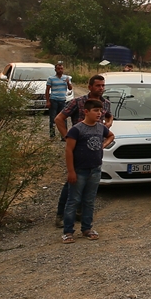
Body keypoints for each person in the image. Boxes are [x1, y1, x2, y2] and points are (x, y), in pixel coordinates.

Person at [54, 75, 114, 227]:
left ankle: (80, 214)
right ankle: (61, 215)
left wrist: (109, 122)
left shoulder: (106, 103)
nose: (101, 88)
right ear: (90, 87)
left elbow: (108, 116)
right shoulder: (78, 102)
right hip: (78, 148)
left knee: (89, 186)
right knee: (71, 183)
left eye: (103, 85)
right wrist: (67, 136)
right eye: (97, 86)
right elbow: (59, 119)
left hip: (94, 149)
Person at [62, 100, 114, 243]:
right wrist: (71, 171)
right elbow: (69, 150)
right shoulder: (77, 130)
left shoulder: (100, 128)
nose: (99, 113)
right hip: (80, 170)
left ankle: (87, 228)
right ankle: (68, 231)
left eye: (100, 111)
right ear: (86, 112)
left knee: (89, 201)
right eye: (95, 110)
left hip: (95, 170)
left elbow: (111, 135)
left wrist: (103, 145)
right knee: (73, 200)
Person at [45, 61, 72, 139]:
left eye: (61, 68)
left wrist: (68, 83)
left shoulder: (66, 78)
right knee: (53, 118)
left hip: (62, 100)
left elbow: (70, 88)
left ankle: (64, 135)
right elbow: (47, 90)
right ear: (55, 70)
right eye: (58, 68)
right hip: (54, 100)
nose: (60, 70)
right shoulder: (51, 78)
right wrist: (48, 101)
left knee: (63, 118)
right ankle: (52, 135)